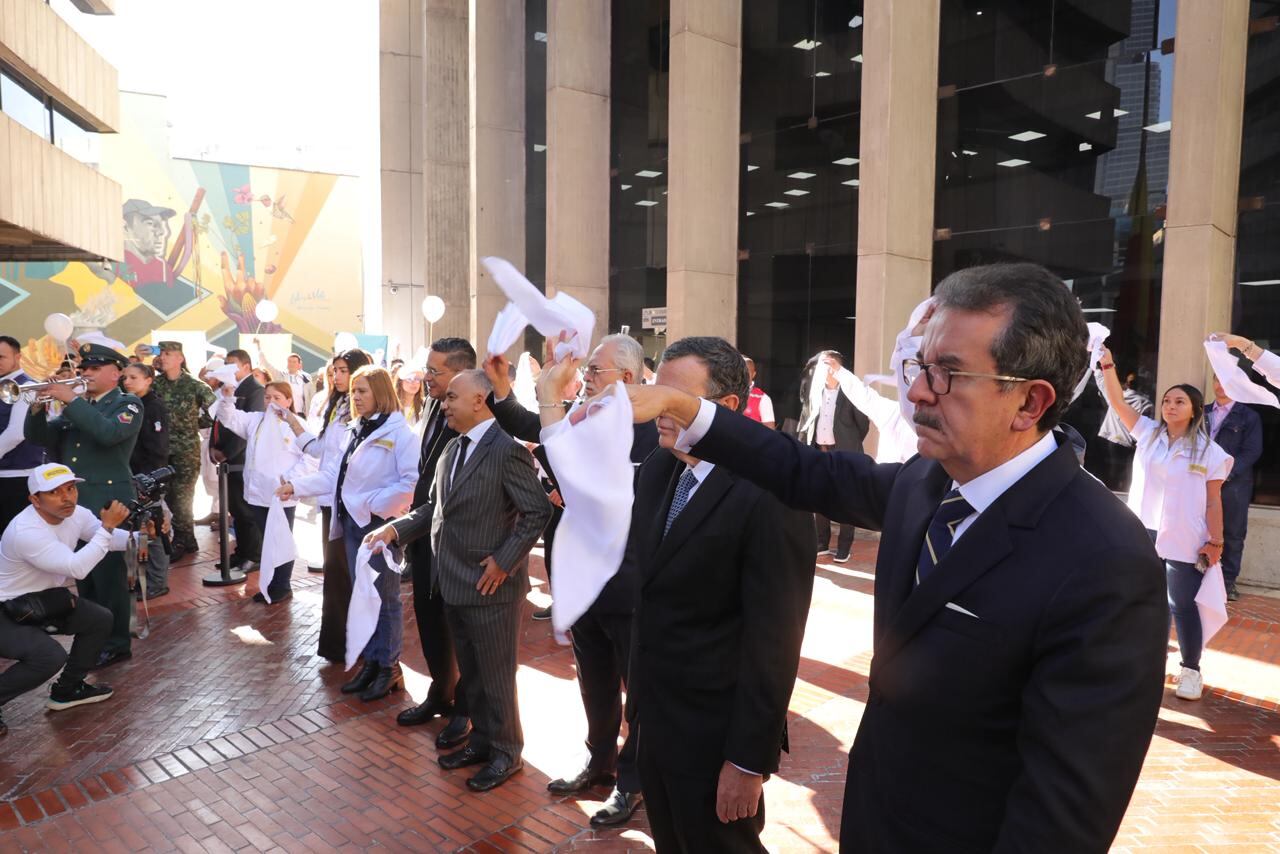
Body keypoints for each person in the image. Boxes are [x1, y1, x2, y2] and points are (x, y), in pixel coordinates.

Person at [623, 263, 1169, 851]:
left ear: (1030, 402)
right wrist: (685, 407)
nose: (915, 392)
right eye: (920, 365)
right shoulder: (925, 482)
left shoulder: (1106, 561)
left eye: (948, 374)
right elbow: (803, 470)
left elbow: (1063, 814)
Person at [574, 336, 810, 852]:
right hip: (655, 721)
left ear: (724, 409)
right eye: (657, 391)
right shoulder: (661, 469)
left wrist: (747, 761)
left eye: (674, 396)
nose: (658, 405)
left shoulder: (770, 492)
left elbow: (775, 642)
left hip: (716, 735)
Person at [492, 333, 658, 827]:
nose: (585, 379)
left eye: (595, 372)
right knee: (595, 682)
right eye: (587, 372)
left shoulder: (650, 431)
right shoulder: (585, 422)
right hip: (582, 583)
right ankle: (600, 760)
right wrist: (525, 393)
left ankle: (634, 780)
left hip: (628, 584)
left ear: (628, 380)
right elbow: (543, 434)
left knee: (638, 690)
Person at [366, 370, 551, 793]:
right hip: (453, 583)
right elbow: (434, 507)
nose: (443, 404)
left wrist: (504, 562)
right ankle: (483, 742)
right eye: (444, 397)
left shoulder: (507, 451)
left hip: (491, 587)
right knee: (473, 673)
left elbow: (538, 511)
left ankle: (507, 753)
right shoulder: (452, 448)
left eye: (452, 397)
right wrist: (395, 529)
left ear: (480, 400)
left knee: (496, 675)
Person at [1098, 349, 1231, 701]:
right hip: (1142, 533)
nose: (1170, 406)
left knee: (1182, 604)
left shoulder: (1209, 452)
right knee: (1140, 599)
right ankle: (1143, 662)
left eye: (1179, 401)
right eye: (1167, 400)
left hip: (1184, 538)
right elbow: (1115, 399)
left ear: (1194, 410)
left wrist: (1216, 540)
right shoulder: (1148, 433)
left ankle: (1190, 670)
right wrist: (1108, 364)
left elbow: (1215, 500)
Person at [282, 363, 417, 699]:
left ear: (381, 393)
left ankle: (388, 667)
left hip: (379, 527)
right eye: (354, 391)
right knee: (364, 597)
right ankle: (372, 662)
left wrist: (372, 505)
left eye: (362, 391)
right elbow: (333, 476)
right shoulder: (355, 430)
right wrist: (295, 487)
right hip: (353, 526)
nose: (355, 397)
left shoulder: (401, 434)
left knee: (384, 599)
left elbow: (411, 484)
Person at [24, 343, 144, 670]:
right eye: (84, 368)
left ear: (116, 373)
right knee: (85, 577)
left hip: (108, 499)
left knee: (111, 579)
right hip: (76, 503)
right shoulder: (81, 406)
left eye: (94, 368)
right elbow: (42, 439)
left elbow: (108, 434)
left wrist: (72, 400)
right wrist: (36, 409)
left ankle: (118, 642)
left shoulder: (127, 404)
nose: (85, 373)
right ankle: (95, 636)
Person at [0, 465, 134, 736]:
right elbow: (77, 568)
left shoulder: (76, 514)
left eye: (71, 488)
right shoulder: (25, 531)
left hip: (43, 600)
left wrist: (143, 538)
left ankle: (67, 690)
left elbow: (108, 539)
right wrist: (107, 527)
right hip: (6, 608)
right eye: (54, 492)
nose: (67, 498)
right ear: (35, 500)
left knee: (99, 619)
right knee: (49, 657)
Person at [391, 338, 473, 747]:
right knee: (428, 618)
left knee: (459, 628)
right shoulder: (430, 407)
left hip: (458, 542)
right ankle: (440, 691)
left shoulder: (478, 418)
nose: (426, 377)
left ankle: (466, 708)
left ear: (460, 373)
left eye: (435, 371)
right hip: (424, 533)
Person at [285, 349, 372, 660]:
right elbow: (321, 449)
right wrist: (293, 423)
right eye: (334, 370)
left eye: (344, 370)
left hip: (352, 505)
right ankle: (340, 646)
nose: (337, 377)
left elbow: (341, 468)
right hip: (329, 500)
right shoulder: (337, 407)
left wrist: (298, 486)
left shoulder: (364, 411)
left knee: (348, 575)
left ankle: (358, 646)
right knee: (336, 577)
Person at [212, 381, 316, 603]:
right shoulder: (256, 420)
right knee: (268, 541)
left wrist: (291, 480)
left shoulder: (298, 425)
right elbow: (230, 418)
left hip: (282, 494)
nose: (271, 402)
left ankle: (282, 584)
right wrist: (227, 397)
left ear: (289, 401)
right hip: (258, 493)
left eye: (277, 397)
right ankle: (271, 583)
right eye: (268, 397)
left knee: (281, 540)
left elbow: (312, 456)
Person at [799, 351, 870, 563]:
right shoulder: (815, 392)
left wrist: (849, 442)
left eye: (825, 364)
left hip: (844, 453)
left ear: (835, 368)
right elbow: (806, 418)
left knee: (846, 500)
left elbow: (862, 425)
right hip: (819, 452)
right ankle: (822, 542)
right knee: (820, 498)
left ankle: (844, 547)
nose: (820, 369)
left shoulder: (851, 393)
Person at [152, 341, 216, 560]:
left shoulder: (196, 386)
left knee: (183, 497)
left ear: (180, 358)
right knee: (167, 495)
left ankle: (181, 539)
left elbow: (215, 412)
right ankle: (187, 540)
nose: (163, 357)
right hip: (160, 450)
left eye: (168, 353)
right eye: (161, 353)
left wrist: (193, 424)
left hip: (186, 450)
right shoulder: (155, 384)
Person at [1205, 377, 1262, 601]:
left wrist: (1225, 474)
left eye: (1226, 380)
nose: (1221, 385)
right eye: (1216, 380)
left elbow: (1252, 452)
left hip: (1234, 485)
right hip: (1201, 481)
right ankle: (1199, 577)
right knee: (1200, 530)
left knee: (1233, 533)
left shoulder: (1249, 417)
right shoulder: (1201, 410)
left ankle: (1227, 583)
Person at [211, 349, 265, 572]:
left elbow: (249, 429)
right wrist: (213, 447)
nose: (228, 368)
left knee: (246, 510)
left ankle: (254, 555)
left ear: (246, 367)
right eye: (226, 363)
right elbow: (218, 420)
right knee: (234, 509)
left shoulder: (255, 390)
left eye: (232, 364)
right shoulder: (227, 389)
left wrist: (228, 453)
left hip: (240, 459)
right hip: (225, 459)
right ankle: (240, 552)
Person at [121, 363, 172, 599]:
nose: (127, 381)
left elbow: (158, 448)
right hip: (131, 474)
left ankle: (157, 582)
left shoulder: (153, 407)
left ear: (148, 379)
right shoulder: (131, 404)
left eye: (133, 377)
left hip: (146, 478)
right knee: (136, 529)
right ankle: (140, 579)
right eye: (125, 377)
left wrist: (148, 480)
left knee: (152, 530)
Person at [0, 335, 48, 531]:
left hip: (17, 476)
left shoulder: (28, 386)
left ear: (18, 357)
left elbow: (17, 433)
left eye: (1, 357)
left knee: (14, 539)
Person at [742, 356, 776, 429]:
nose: (743, 376)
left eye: (747, 373)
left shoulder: (763, 399)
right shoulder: (726, 393)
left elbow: (769, 431)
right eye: (740, 372)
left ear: (753, 374)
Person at [395, 364, 427, 429]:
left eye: (417, 379)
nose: (414, 382)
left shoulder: (425, 404)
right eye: (409, 379)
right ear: (400, 381)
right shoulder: (391, 405)